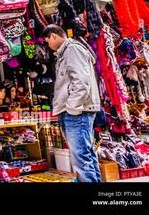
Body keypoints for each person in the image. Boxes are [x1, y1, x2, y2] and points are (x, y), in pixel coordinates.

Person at [42, 24, 101, 183]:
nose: (48, 45)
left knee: (80, 157)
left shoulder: (72, 50)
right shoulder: (65, 53)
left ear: (53, 36)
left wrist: (72, 108)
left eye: (48, 41)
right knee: (86, 155)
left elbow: (81, 81)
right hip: (76, 111)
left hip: (77, 112)